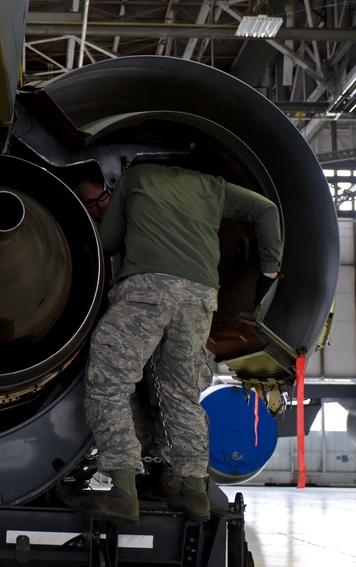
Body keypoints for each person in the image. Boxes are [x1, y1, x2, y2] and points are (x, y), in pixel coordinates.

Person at [72, 163, 281, 524]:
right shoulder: (214, 184)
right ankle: (194, 493)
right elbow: (267, 209)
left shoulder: (135, 177)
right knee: (182, 395)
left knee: (108, 383)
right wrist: (270, 269)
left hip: (147, 291)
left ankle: (123, 491)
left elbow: (106, 241)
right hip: (200, 298)